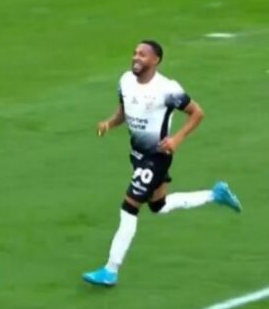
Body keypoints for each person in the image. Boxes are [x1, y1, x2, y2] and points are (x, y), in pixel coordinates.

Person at [83, 40, 242, 287]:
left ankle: (110, 270)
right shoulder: (125, 80)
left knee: (129, 207)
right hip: (137, 155)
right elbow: (123, 113)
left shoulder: (167, 88)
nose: (136, 57)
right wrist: (108, 124)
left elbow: (197, 112)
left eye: (143, 55)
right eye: (135, 53)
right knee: (158, 206)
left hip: (157, 156)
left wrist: (177, 139)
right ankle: (215, 194)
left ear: (155, 60)